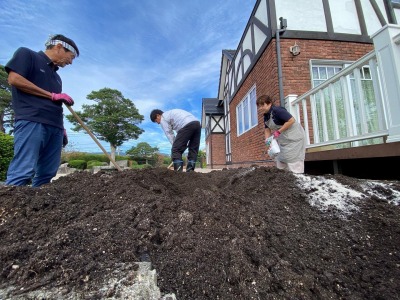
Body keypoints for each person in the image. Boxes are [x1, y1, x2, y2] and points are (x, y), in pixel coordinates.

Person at [5, 34, 79, 187]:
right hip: (32, 120)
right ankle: (8, 209)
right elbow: (14, 79)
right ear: (58, 47)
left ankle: (38, 208)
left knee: (47, 173)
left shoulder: (57, 77)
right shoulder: (27, 55)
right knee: (24, 170)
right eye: (70, 56)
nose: (70, 62)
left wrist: (62, 128)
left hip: (55, 127)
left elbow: (56, 103)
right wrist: (51, 95)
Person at [256, 95, 306, 173]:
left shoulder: (278, 111)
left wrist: (279, 131)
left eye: (263, 105)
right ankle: (283, 180)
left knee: (293, 160)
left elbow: (291, 120)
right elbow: (267, 129)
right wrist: (268, 141)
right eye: (259, 106)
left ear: (269, 103)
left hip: (294, 137)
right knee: (280, 159)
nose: (260, 108)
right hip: (284, 139)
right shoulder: (266, 116)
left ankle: (298, 178)